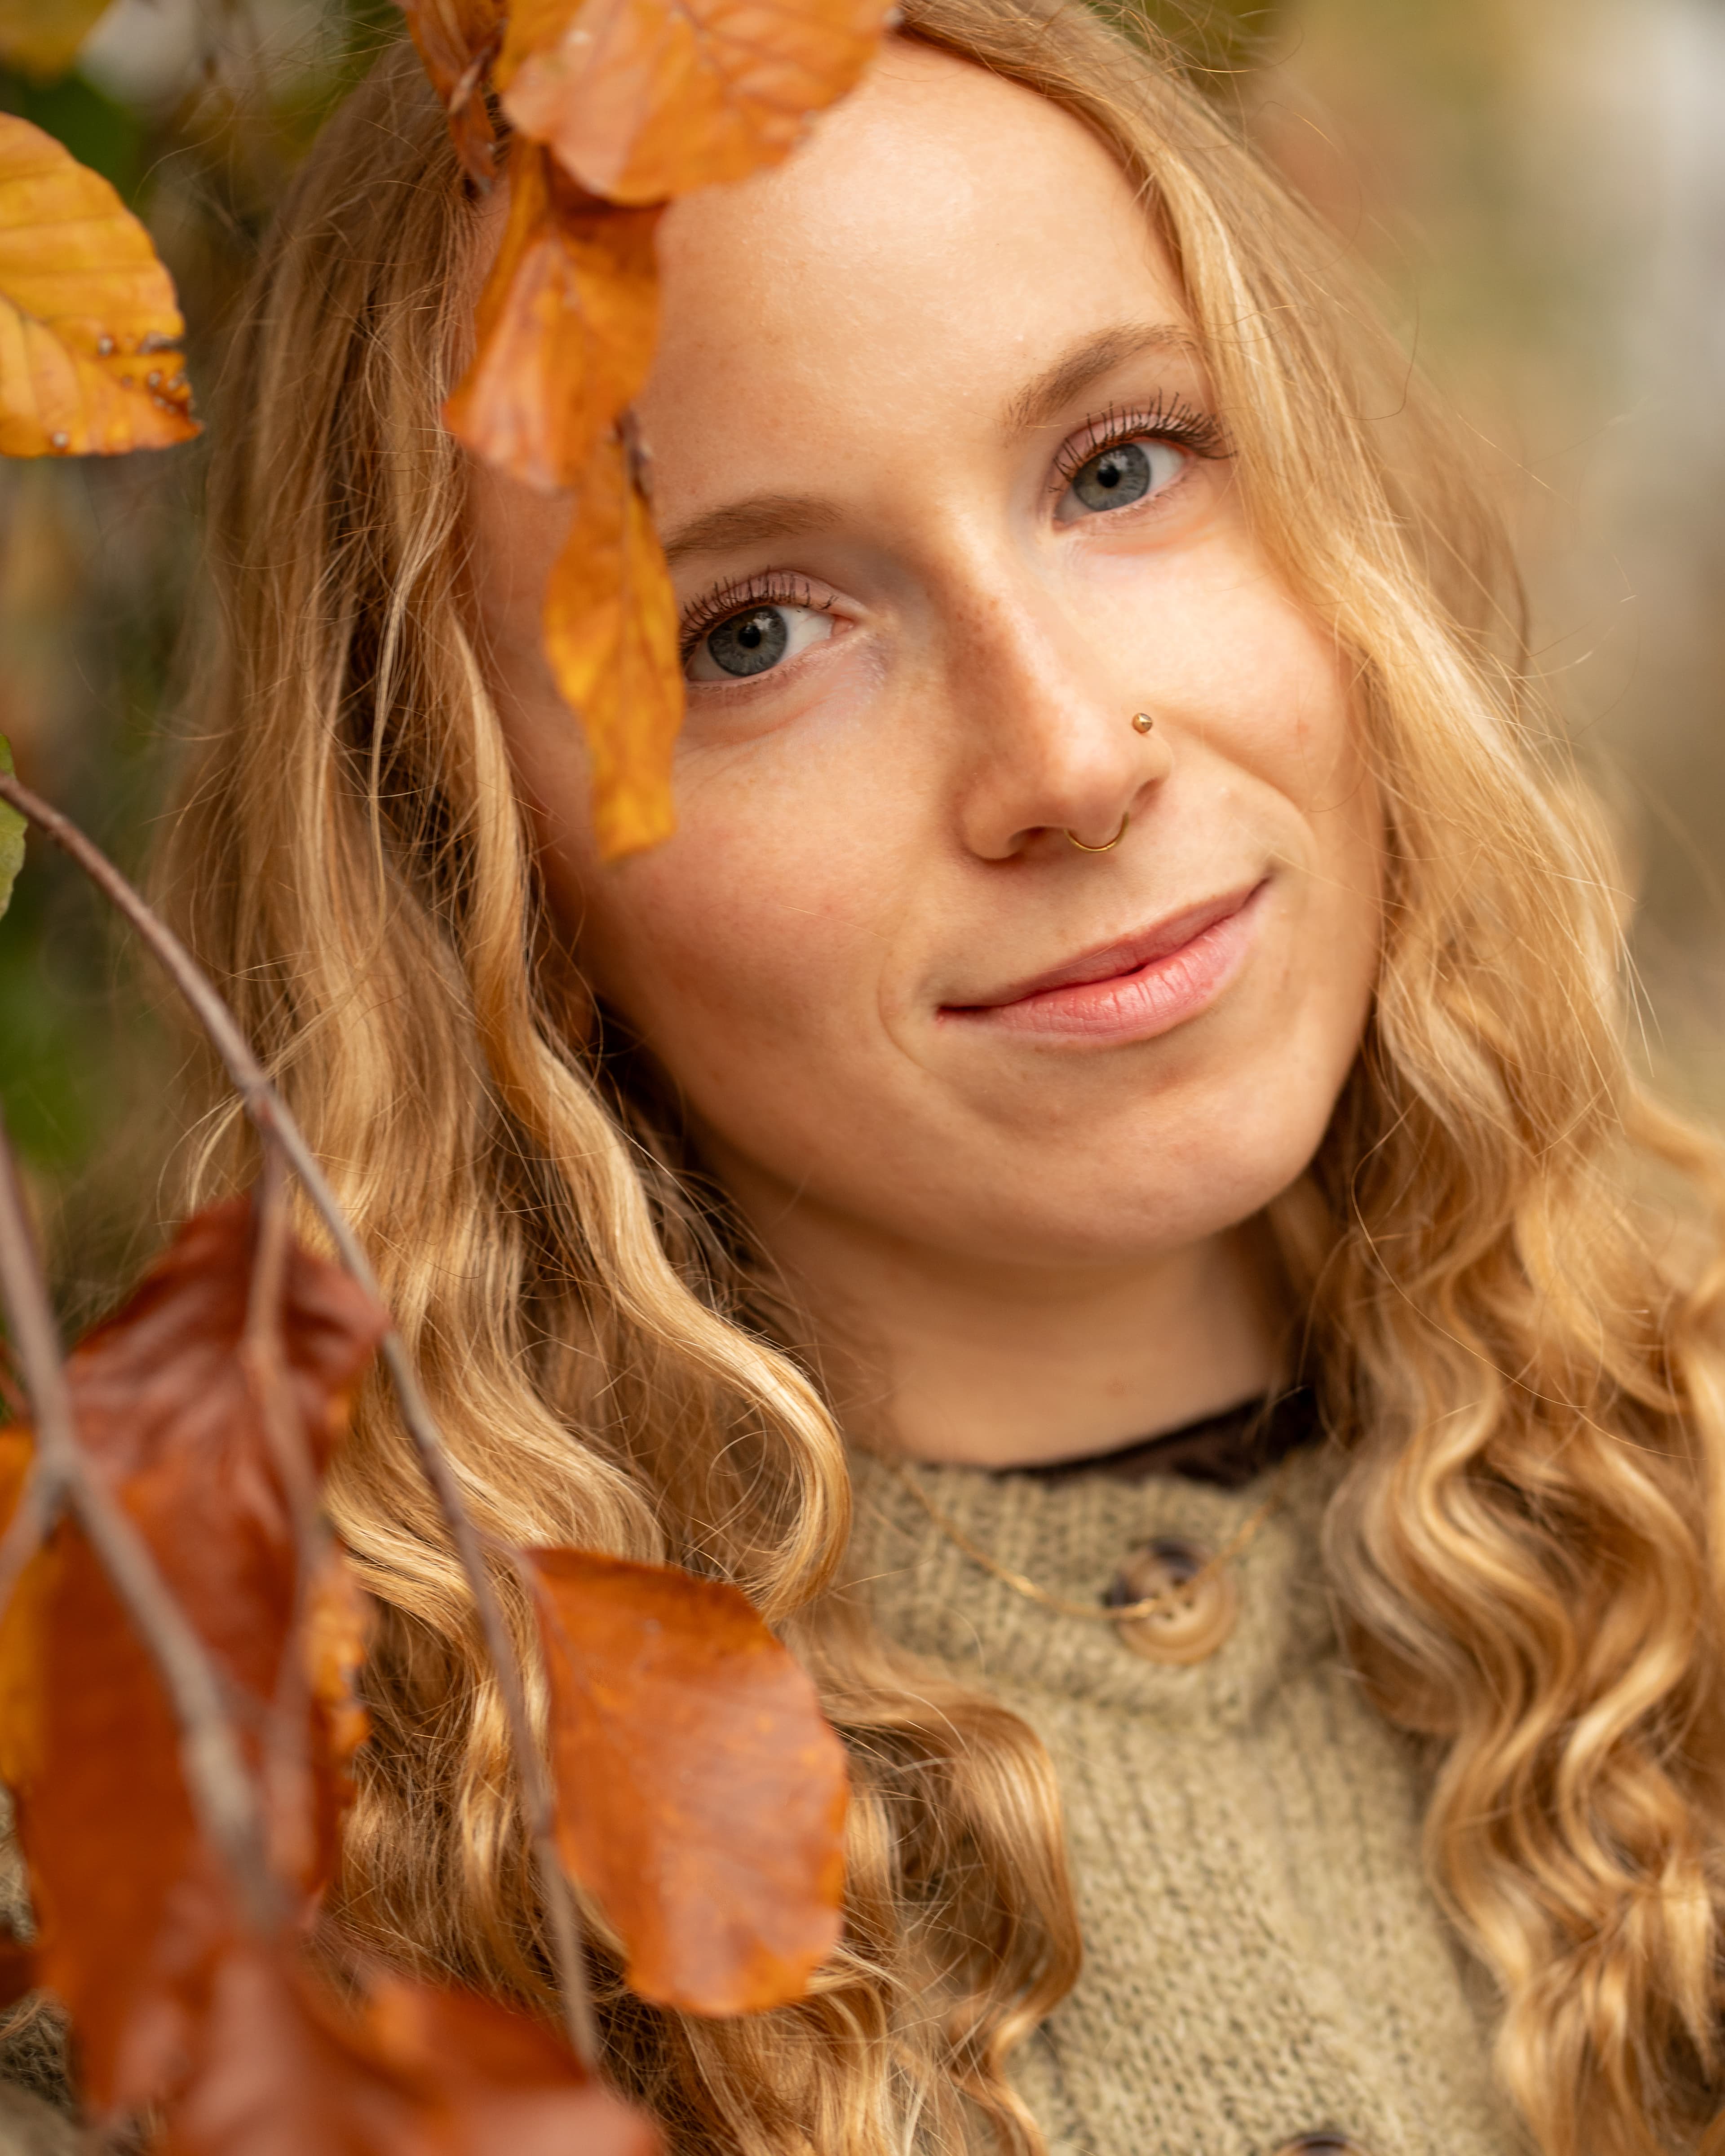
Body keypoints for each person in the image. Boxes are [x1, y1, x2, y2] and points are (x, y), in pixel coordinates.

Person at [90, 0, 1725, 2150]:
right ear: (463, 852)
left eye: (1120, 467)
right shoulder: (290, 1922)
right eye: (754, 634)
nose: (1067, 757)